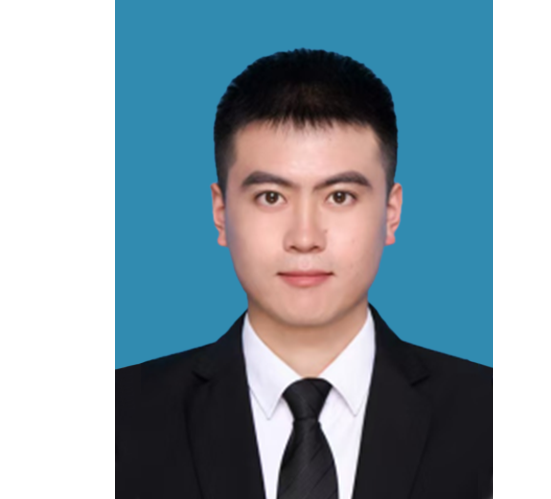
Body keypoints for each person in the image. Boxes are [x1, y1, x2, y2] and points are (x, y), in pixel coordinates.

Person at [115, 48, 492, 499]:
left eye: (340, 196)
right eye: (271, 197)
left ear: (391, 213)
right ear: (221, 213)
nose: (305, 237)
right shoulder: (118, 419)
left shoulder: (495, 418)